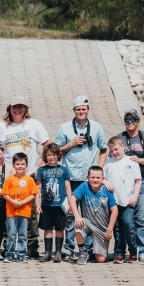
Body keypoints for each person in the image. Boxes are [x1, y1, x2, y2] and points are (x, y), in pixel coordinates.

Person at [0, 96, 50, 258]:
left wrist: (42, 164)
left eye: (21, 107)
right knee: (10, 211)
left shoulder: (34, 125)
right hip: (10, 177)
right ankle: (9, 244)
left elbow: (48, 144)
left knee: (31, 212)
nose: (18, 110)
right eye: (15, 107)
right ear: (10, 109)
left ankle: (32, 245)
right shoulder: (2, 127)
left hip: (30, 176)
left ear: (25, 109)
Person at [55, 95, 107, 260]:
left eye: (84, 109)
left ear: (88, 110)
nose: (81, 112)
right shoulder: (64, 128)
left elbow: (104, 149)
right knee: (70, 213)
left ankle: (88, 248)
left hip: (89, 179)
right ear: (74, 111)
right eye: (78, 110)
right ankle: (70, 248)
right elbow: (56, 151)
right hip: (70, 176)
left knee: (90, 213)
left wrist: (98, 169)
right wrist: (71, 144)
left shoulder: (97, 127)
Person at [114, 109, 144, 262]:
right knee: (123, 218)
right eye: (127, 120)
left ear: (138, 121)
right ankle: (122, 249)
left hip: (142, 180)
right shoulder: (120, 137)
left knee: (139, 217)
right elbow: (114, 154)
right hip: (124, 182)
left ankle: (140, 250)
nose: (130, 123)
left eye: (133, 120)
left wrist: (138, 160)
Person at [103, 136, 142, 264]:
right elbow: (102, 177)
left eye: (116, 149)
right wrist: (106, 182)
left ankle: (133, 251)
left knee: (128, 225)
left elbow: (138, 180)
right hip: (114, 200)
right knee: (117, 227)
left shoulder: (132, 162)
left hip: (128, 199)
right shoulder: (109, 162)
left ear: (123, 147)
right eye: (112, 151)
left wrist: (135, 196)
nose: (114, 152)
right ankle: (119, 252)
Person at [69, 166, 118, 265]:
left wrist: (109, 229)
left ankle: (92, 251)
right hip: (87, 222)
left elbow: (115, 210)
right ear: (88, 177)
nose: (95, 180)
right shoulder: (84, 186)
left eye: (98, 178)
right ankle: (83, 251)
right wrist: (77, 216)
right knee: (78, 225)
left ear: (103, 179)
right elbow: (72, 199)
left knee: (101, 259)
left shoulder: (106, 191)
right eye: (92, 177)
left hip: (102, 227)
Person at [35, 143, 71, 263]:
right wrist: (37, 204)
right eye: (49, 155)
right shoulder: (41, 170)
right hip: (46, 205)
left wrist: (70, 203)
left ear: (58, 156)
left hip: (60, 205)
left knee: (60, 229)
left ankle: (58, 252)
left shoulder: (63, 169)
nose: (51, 157)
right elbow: (38, 189)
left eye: (54, 155)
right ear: (45, 156)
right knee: (47, 229)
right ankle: (47, 252)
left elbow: (68, 188)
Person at [2, 153, 39, 263]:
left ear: (26, 165)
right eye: (17, 164)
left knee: (23, 235)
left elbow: (33, 194)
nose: (20, 166)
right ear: (13, 165)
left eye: (22, 164)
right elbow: (5, 194)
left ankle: (21, 255)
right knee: (11, 234)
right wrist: (13, 201)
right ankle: (9, 254)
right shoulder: (10, 179)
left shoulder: (29, 179)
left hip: (24, 212)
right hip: (11, 212)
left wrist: (23, 202)